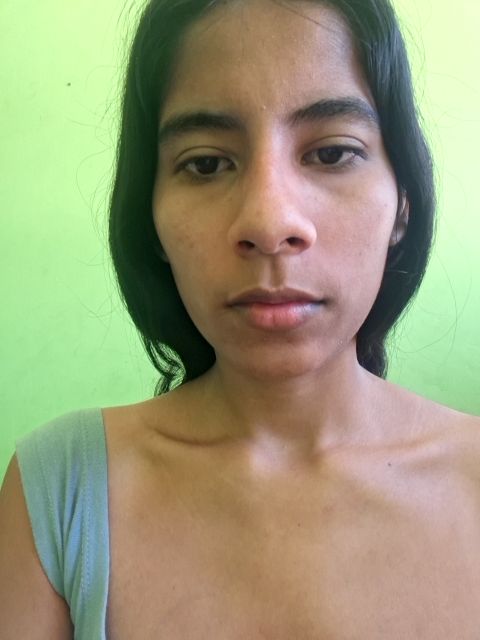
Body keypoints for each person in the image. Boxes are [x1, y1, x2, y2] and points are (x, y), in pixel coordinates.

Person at [1, 0, 479, 637]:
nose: (269, 222)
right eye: (205, 163)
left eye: (332, 153)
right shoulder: (59, 490)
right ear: (151, 217)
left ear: (403, 204)